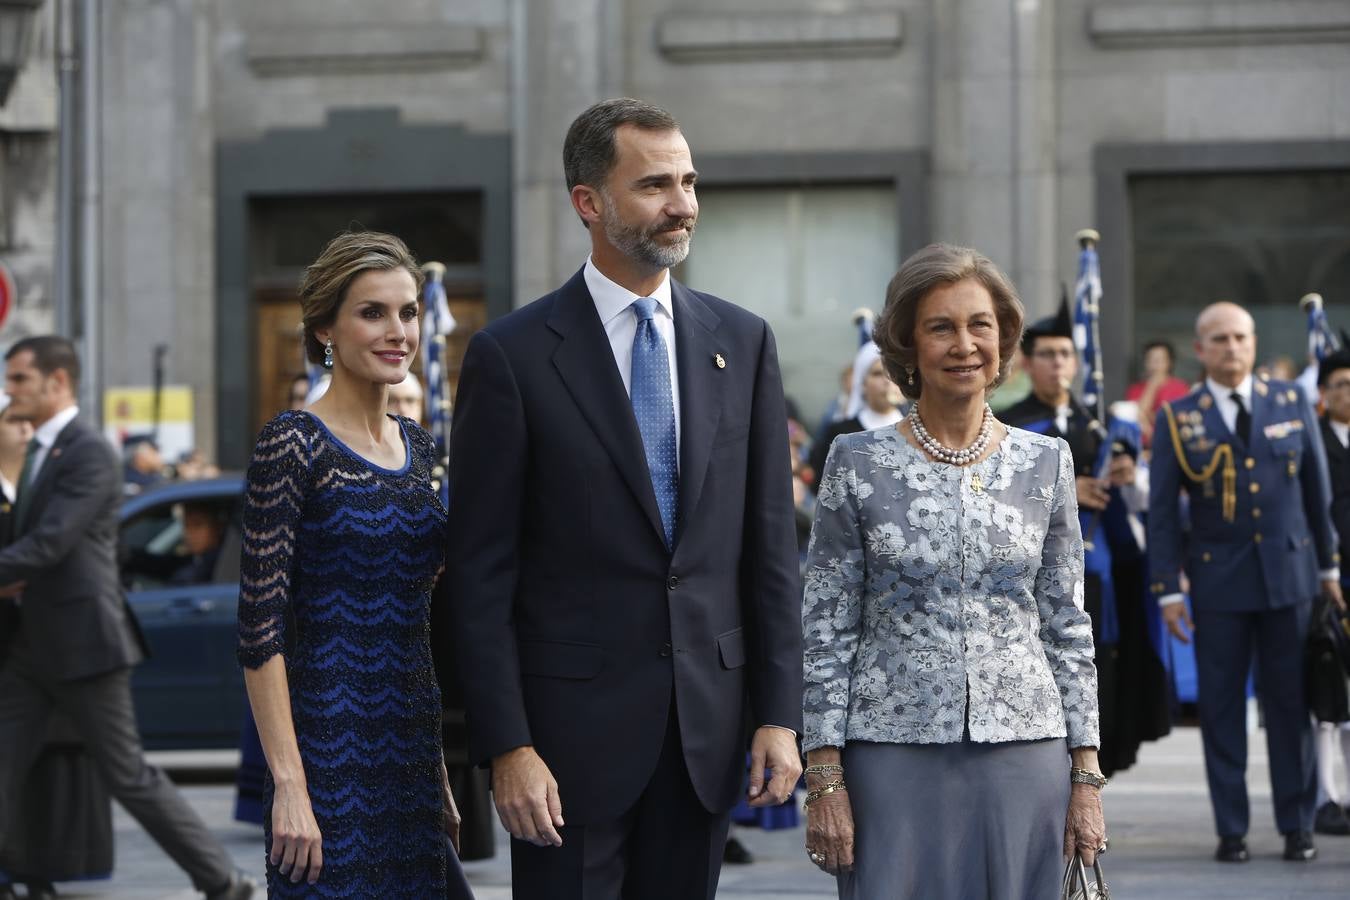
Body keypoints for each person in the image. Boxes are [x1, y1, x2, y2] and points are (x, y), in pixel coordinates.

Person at [442, 97, 803, 900]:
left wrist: (781, 715)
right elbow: (481, 575)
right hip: (565, 756)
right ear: (589, 203)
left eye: (688, 181)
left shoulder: (741, 343)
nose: (682, 205)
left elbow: (771, 551)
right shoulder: (513, 356)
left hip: (706, 738)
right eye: (654, 186)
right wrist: (509, 747)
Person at [801, 243, 1106, 899]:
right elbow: (826, 627)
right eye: (941, 326)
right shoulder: (855, 462)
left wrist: (1086, 774)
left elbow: (1066, 623)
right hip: (890, 751)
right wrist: (824, 776)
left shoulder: (1046, 462)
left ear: (1004, 339)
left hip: (1028, 749)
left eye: (980, 325)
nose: (964, 344)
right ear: (908, 344)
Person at [237, 231, 471, 897]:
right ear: (324, 330)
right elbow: (259, 633)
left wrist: (440, 774)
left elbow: (417, 621)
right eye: (373, 312)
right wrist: (288, 786)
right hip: (325, 757)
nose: (399, 331)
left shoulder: (420, 448)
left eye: (409, 312)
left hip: (410, 751)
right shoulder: (291, 444)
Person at [0, 336, 254, 900]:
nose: (10, 388)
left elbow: (49, 545)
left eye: (19, 378)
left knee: (129, 776)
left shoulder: (86, 450)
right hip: (32, 649)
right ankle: (19, 873)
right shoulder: (43, 452)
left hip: (85, 647)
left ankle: (222, 880)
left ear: (57, 382)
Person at [1149, 301, 1342, 862]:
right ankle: (1231, 829)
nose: (1232, 348)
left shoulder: (1291, 401)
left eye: (1240, 337)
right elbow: (1162, 513)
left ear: (1253, 343)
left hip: (1291, 579)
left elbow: (1316, 489)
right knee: (1222, 710)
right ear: (1200, 348)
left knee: (1291, 707)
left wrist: (1328, 568)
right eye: (1220, 339)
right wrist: (1168, 589)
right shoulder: (1178, 418)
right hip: (1218, 586)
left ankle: (1297, 824)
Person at [1003, 297, 1170, 776]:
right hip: (1037, 575)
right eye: (1048, 354)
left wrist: (1125, 474)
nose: (1058, 364)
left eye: (1065, 355)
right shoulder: (1013, 423)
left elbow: (1137, 503)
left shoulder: (1096, 424)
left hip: (1100, 575)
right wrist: (1065, 490)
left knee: (1105, 674)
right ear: (1028, 362)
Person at [1313, 345, 1350, 836]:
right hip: (1327, 580)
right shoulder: (1315, 440)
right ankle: (1326, 796)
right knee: (1325, 698)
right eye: (1338, 384)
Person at [807, 341, 904, 481]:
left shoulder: (918, 430)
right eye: (878, 373)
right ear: (863, 383)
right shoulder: (840, 432)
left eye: (893, 372)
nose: (887, 380)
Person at [1124, 340, 1190, 448]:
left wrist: (1150, 416)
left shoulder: (1180, 388)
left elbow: (1178, 420)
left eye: (1159, 360)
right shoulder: (1135, 389)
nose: (1154, 365)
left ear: (1169, 363)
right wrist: (1152, 387)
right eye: (1150, 360)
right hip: (1141, 447)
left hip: (1171, 445)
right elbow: (1136, 418)